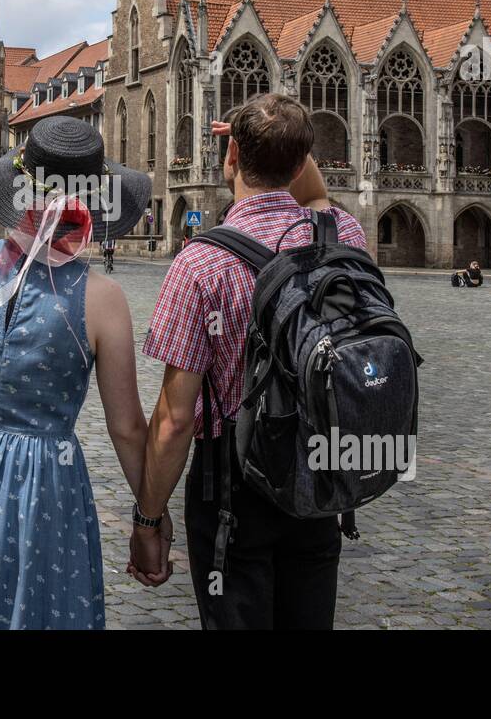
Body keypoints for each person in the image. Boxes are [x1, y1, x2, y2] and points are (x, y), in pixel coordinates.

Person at [0, 116, 157, 629]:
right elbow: (126, 427)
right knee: (37, 604)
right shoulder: (102, 300)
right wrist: (151, 517)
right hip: (42, 479)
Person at [131, 93, 367, 629]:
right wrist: (284, 143)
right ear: (304, 158)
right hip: (319, 475)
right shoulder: (342, 236)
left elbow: (174, 419)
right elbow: (317, 194)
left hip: (233, 483)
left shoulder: (202, 261)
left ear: (230, 154)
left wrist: (149, 518)